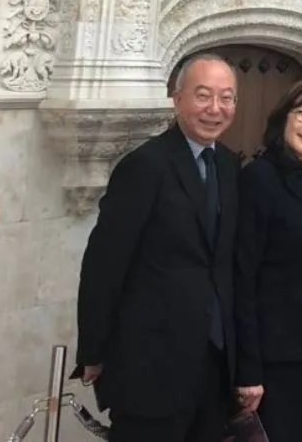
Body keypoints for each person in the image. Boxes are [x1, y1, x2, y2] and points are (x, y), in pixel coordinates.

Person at [75, 54, 240, 442]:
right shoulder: (145, 166)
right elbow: (104, 264)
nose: (215, 109)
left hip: (212, 365)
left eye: (226, 97)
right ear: (177, 98)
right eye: (203, 96)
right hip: (150, 364)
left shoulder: (230, 166)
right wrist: (94, 349)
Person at [233, 80, 302, 442]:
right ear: (284, 121)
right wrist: (248, 372)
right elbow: (243, 277)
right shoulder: (259, 179)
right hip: (269, 357)